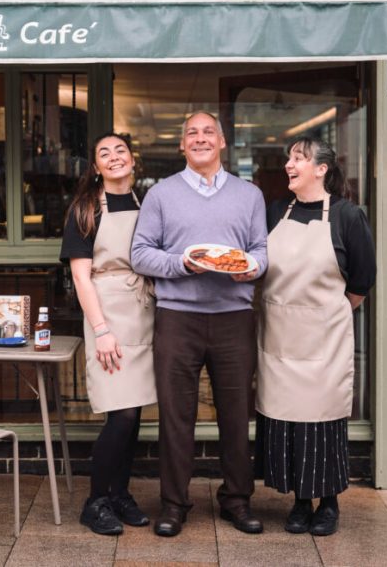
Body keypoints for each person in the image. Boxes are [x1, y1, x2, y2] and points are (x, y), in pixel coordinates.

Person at [131, 111, 267, 537]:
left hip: (234, 318)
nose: (201, 138)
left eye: (209, 132)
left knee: (236, 415)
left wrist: (254, 268)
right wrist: (182, 264)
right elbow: (140, 253)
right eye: (192, 133)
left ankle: (237, 501)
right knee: (175, 416)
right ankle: (173, 504)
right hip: (177, 318)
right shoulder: (160, 195)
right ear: (182, 145)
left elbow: (260, 249)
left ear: (222, 143)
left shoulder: (250, 195)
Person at [254, 136, 376, 537]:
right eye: (290, 157)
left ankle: (328, 503)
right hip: (279, 337)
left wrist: (327, 314)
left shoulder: (347, 216)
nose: (290, 163)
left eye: (299, 158)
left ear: (321, 169)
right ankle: (299, 501)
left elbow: (361, 280)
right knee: (287, 423)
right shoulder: (275, 212)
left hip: (324, 340)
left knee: (321, 423)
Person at [60, 133, 156, 536]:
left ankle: (120, 493)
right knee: (122, 414)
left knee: (134, 415)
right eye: (104, 153)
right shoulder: (84, 209)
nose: (114, 157)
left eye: (120, 151)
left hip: (144, 311)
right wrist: (101, 331)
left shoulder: (149, 204)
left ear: (133, 160)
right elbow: (81, 277)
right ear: (96, 167)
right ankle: (95, 499)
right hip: (107, 313)